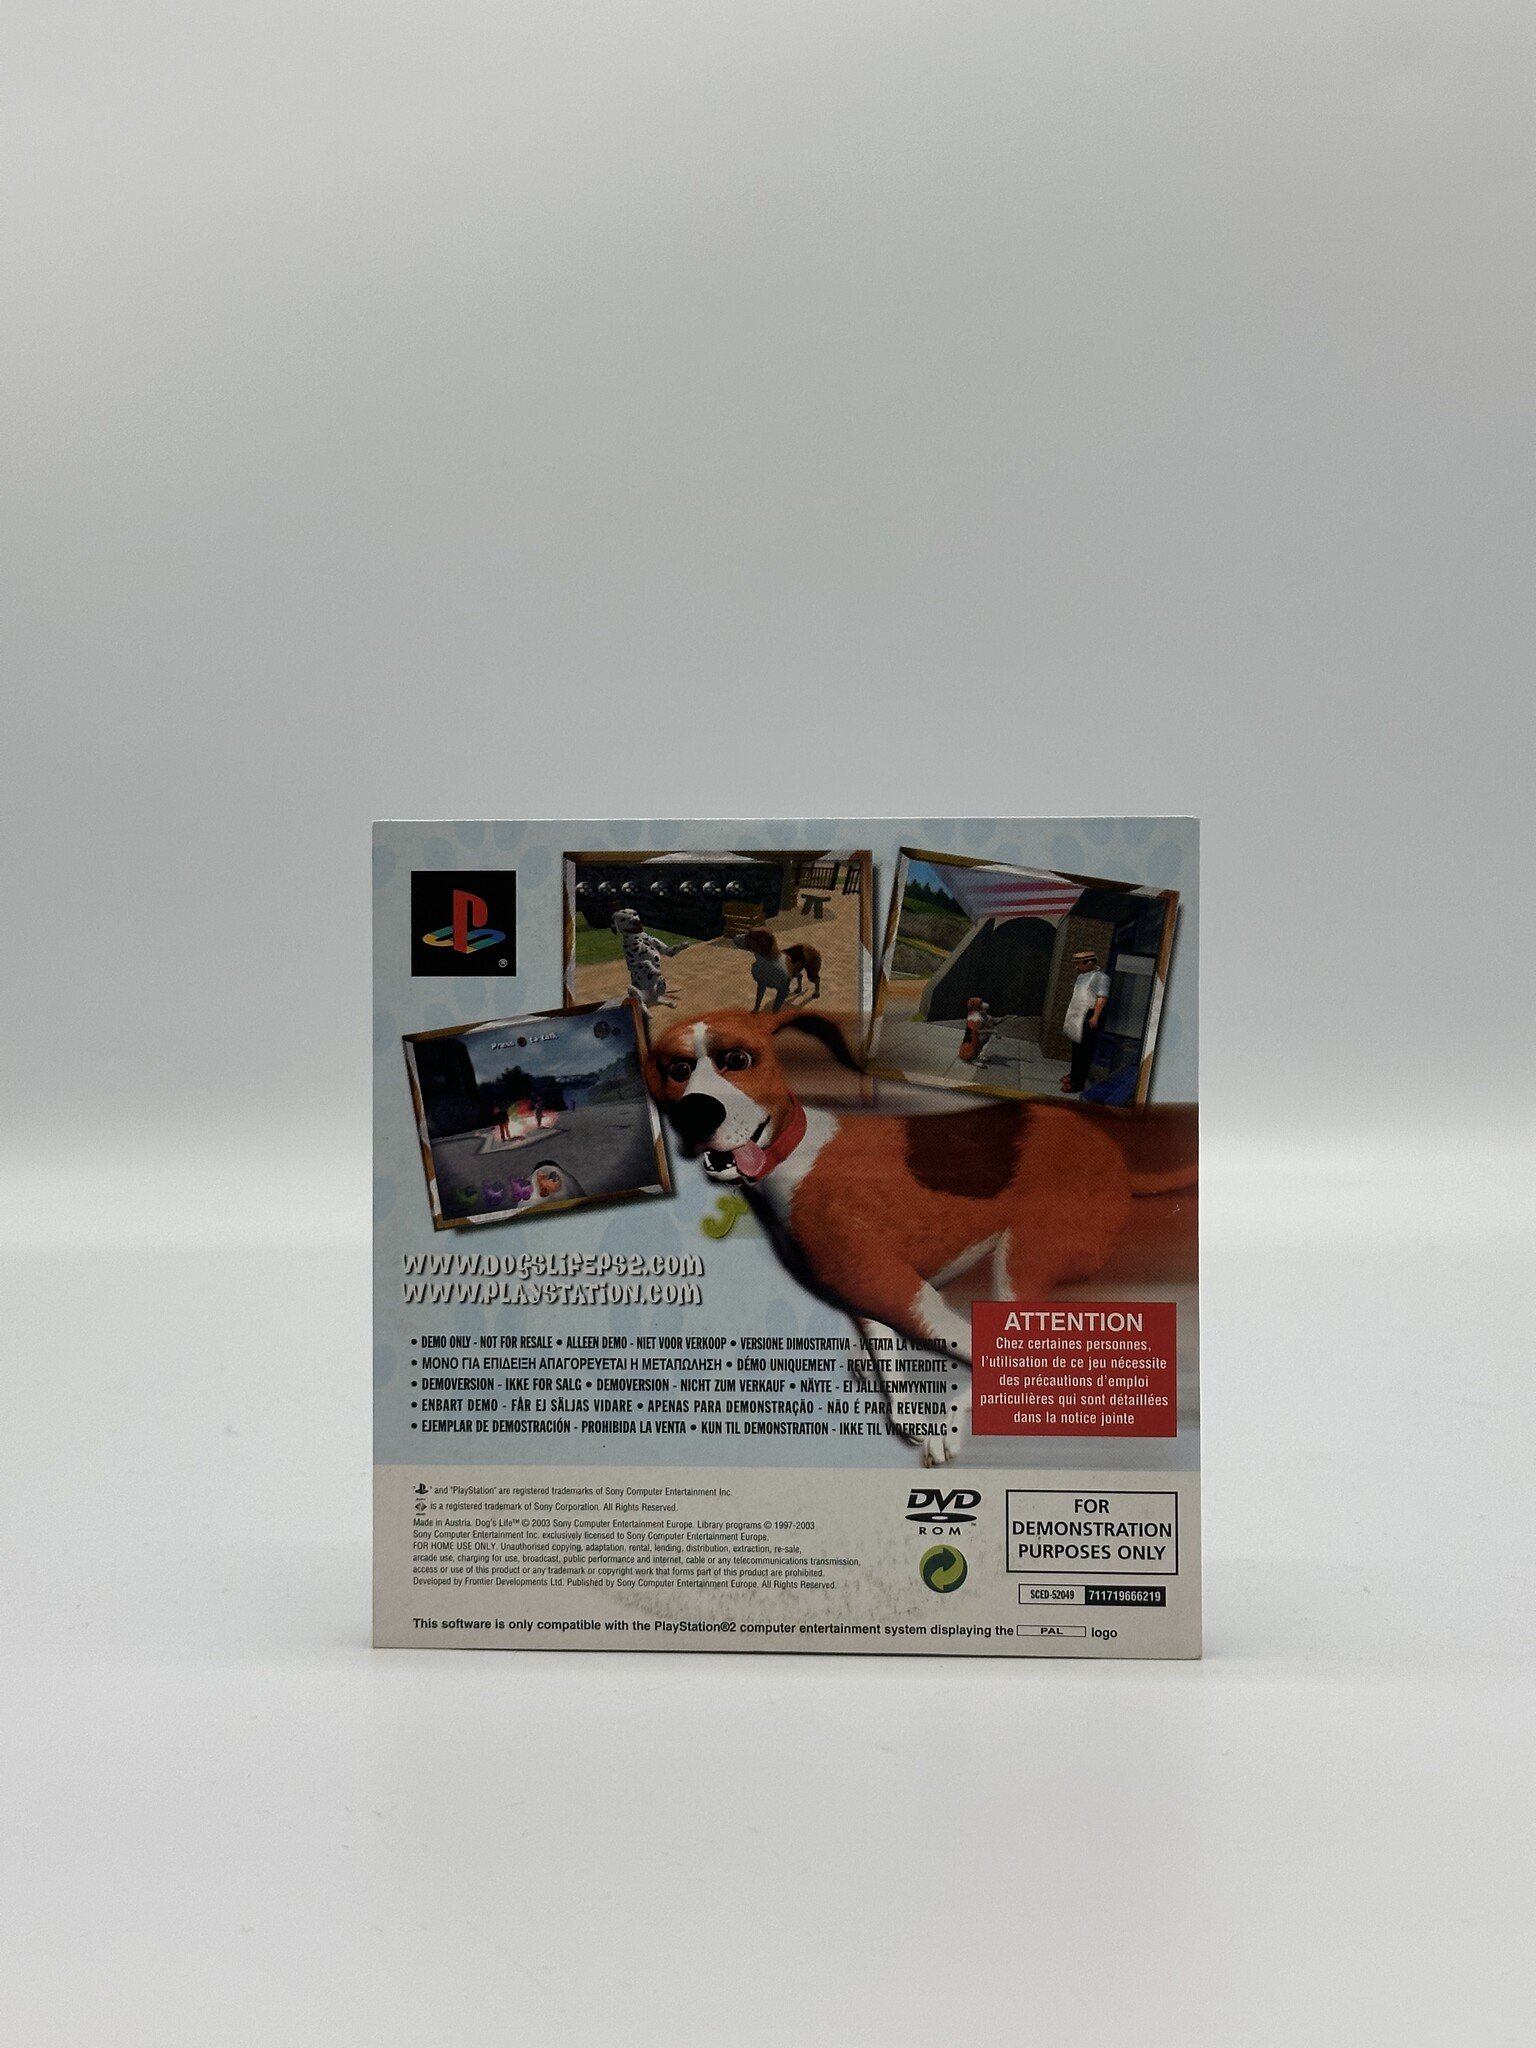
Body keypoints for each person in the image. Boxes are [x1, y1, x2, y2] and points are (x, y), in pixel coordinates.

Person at [1061, 949, 1111, 1094]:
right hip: (1077, 1015)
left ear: (1089, 963)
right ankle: (1073, 1074)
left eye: (1079, 964)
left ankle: (1078, 1083)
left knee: (1084, 1052)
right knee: (1076, 1048)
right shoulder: (1082, 976)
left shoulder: (1100, 978)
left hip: (1088, 1015)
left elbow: (1102, 998)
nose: (1077, 967)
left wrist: (1095, 1016)